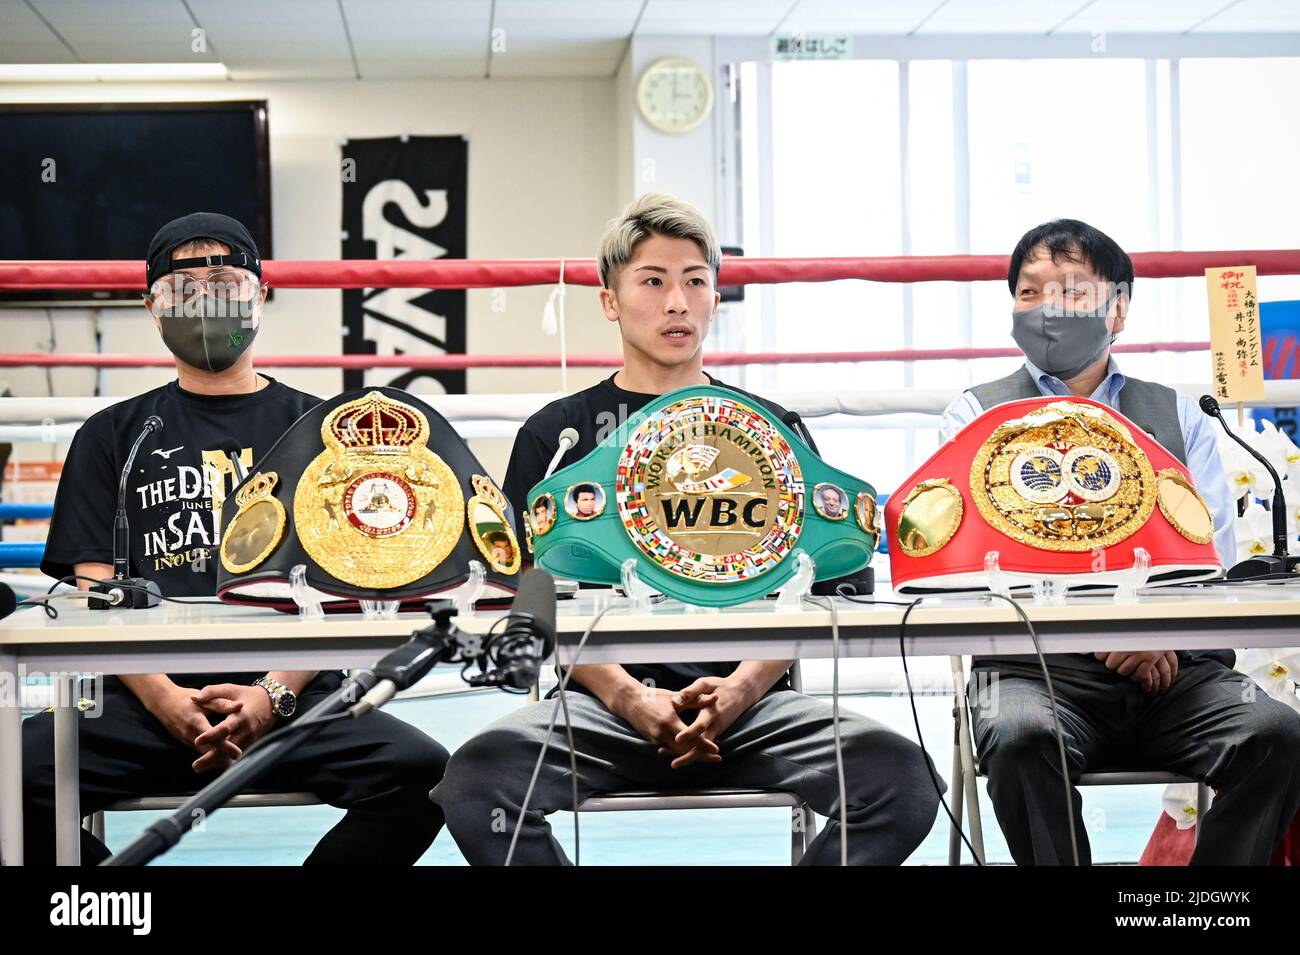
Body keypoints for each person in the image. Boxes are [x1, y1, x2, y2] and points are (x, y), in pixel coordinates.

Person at [433, 194, 942, 865]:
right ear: (610, 300)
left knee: (904, 781)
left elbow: (826, 585)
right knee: (474, 784)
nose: (678, 302)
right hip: (602, 707)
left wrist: (742, 688)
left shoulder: (773, 429)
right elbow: (528, 598)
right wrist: (630, 696)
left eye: (696, 281)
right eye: (653, 281)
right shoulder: (556, 436)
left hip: (757, 709)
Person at [22, 212, 449, 865]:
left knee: (427, 775)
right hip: (142, 694)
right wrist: (164, 696)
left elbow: (341, 580)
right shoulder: (111, 434)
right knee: (8, 780)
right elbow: (91, 586)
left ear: (262, 292)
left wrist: (270, 694)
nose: (205, 301)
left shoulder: (324, 428)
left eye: (223, 281)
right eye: (183, 287)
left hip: (296, 696)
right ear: (151, 306)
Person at [939, 218, 1300, 865]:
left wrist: (1155, 634)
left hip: (1173, 671)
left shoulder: (1181, 414)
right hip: (1033, 672)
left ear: (1120, 308)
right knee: (1019, 736)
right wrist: (1106, 632)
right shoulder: (975, 415)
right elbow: (972, 561)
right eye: (1029, 292)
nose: (1048, 308)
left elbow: (1207, 558)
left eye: (1072, 289)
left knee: (1275, 733)